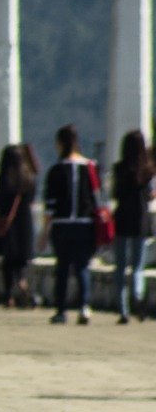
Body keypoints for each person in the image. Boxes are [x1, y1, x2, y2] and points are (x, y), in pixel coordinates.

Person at [43, 124, 102, 324]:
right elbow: (97, 199)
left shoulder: (56, 170)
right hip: (86, 225)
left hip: (62, 226)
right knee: (82, 267)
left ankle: (61, 310)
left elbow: (50, 206)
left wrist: (44, 231)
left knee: (62, 268)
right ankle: (85, 307)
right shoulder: (91, 168)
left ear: (59, 144)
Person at [111, 130, 154, 323]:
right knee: (137, 266)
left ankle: (123, 310)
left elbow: (114, 193)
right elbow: (152, 194)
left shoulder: (119, 168)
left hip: (121, 219)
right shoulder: (148, 170)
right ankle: (138, 297)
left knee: (120, 267)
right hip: (141, 219)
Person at [0, 143, 39, 309]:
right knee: (21, 261)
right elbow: (32, 199)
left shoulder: (4, 179)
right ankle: (22, 282)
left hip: (8, 222)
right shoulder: (28, 179)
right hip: (24, 223)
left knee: (8, 261)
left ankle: (9, 295)